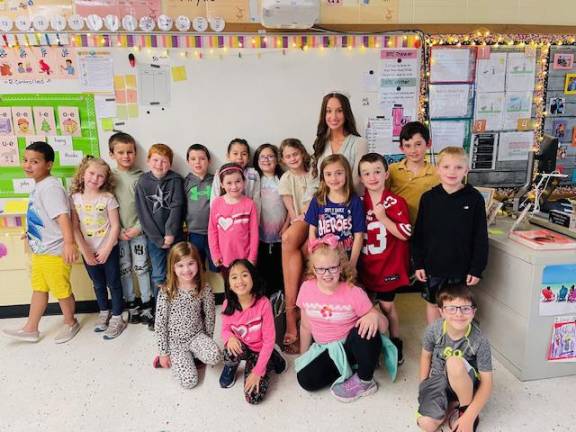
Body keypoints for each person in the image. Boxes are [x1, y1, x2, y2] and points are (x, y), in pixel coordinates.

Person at [2, 142, 80, 344]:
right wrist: (31, 234)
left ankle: (71, 322)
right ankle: (31, 328)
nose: (28, 165)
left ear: (48, 164)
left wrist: (70, 243)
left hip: (54, 251)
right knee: (39, 288)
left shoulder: (51, 188)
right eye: (26, 160)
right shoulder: (40, 186)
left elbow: (62, 217)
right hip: (40, 250)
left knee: (61, 290)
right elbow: (43, 217)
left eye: (34, 161)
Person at [295, 234, 386, 402]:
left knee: (366, 329)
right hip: (327, 349)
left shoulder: (353, 291)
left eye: (333, 268)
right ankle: (352, 368)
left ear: (341, 266)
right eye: (321, 269)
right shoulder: (306, 289)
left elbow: (384, 325)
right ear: (313, 269)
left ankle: (365, 380)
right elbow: (306, 327)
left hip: (350, 346)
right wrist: (304, 356)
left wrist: (374, 316)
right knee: (305, 379)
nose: (327, 274)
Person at [412, 147, 489, 324]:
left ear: (466, 170)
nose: (452, 172)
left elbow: (480, 237)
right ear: (437, 169)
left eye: (458, 167)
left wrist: (477, 268)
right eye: (446, 167)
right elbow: (419, 235)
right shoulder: (428, 198)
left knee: (458, 307)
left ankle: (455, 344)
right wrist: (418, 263)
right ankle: (435, 342)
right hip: (433, 267)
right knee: (433, 304)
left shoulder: (474, 198)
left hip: (461, 269)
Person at [358, 153, 411, 365]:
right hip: (366, 265)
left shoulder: (395, 201)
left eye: (377, 171)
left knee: (388, 307)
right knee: (367, 306)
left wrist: (383, 218)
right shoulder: (358, 202)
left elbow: (405, 234)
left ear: (386, 174)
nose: (372, 177)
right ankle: (374, 343)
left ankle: (396, 341)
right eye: (366, 173)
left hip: (389, 265)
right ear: (360, 178)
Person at [417, 284, 493, 432]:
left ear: (473, 312)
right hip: (439, 382)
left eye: (465, 308)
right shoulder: (433, 330)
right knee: (426, 424)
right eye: (451, 308)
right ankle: (452, 403)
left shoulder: (480, 340)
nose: (459, 314)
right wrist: (423, 387)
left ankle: (464, 407)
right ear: (441, 312)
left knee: (453, 361)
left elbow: (487, 383)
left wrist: (469, 416)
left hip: (465, 383)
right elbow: (426, 357)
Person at [70, 156, 127, 339]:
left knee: (114, 283)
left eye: (100, 176)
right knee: (98, 284)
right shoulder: (75, 199)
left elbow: (115, 226)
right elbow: (74, 227)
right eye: (91, 173)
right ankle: (104, 312)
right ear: (82, 173)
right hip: (88, 251)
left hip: (108, 249)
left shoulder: (108, 198)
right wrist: (85, 251)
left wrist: (107, 248)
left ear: (106, 179)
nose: (95, 178)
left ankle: (117, 316)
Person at [154, 242, 222, 389]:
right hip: (175, 342)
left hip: (196, 335)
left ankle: (193, 355)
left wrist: (207, 341)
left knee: (215, 356)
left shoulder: (204, 288)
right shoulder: (167, 291)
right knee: (189, 382)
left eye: (191, 263)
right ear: (173, 267)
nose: (186, 270)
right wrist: (163, 352)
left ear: (198, 263)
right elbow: (160, 324)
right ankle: (173, 357)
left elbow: (210, 317)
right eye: (180, 265)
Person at [219, 259, 287, 404]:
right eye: (234, 277)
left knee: (253, 398)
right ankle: (231, 368)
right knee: (229, 350)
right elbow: (225, 330)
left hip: (261, 349)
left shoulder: (263, 303)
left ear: (253, 278)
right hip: (243, 347)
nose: (240, 281)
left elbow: (269, 340)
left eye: (244, 275)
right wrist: (230, 337)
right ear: (229, 285)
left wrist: (257, 372)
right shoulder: (227, 304)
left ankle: (274, 358)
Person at [135, 143, 185, 329]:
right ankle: (160, 312)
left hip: (175, 237)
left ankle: (180, 311)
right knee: (158, 275)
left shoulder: (176, 180)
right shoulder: (142, 182)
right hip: (153, 239)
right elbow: (143, 214)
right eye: (155, 160)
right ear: (148, 161)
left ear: (170, 164)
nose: (159, 164)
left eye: (164, 161)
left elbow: (176, 207)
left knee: (180, 273)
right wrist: (157, 238)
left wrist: (170, 234)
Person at [109, 132, 153, 326]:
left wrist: (138, 228)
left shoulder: (142, 178)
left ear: (135, 153)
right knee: (125, 269)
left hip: (138, 233)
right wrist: (115, 230)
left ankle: (147, 304)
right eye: (121, 152)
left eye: (130, 152)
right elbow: (104, 207)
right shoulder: (108, 178)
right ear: (112, 154)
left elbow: (148, 208)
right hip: (117, 234)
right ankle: (132, 304)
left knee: (142, 268)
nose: (126, 156)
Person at [278, 138, 314, 353]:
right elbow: (290, 207)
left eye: (295, 154)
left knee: (297, 245)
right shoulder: (285, 178)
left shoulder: (313, 174)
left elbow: (311, 204)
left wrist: (304, 219)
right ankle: (293, 311)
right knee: (293, 243)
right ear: (283, 159)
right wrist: (295, 219)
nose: (292, 158)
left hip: (312, 217)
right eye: (288, 156)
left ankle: (294, 315)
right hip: (298, 219)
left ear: (302, 153)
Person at [305, 154, 365, 269]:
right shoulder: (318, 200)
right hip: (324, 261)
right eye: (328, 174)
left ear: (346, 174)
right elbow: (312, 232)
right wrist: (314, 258)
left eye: (339, 173)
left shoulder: (354, 201)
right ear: (323, 176)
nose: (333, 178)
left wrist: (352, 264)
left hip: (346, 258)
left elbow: (359, 236)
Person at [311, 92, 368, 192]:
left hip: (350, 204)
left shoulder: (360, 143)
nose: (333, 117)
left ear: (346, 113)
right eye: (328, 111)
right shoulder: (320, 142)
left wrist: (333, 201)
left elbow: (356, 181)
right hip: (322, 203)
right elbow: (315, 180)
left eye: (339, 111)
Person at [208, 163, 259, 270]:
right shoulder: (217, 204)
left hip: (245, 259)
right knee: (228, 285)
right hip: (224, 259)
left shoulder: (250, 204)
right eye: (229, 183)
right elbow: (212, 231)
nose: (234, 186)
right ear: (222, 184)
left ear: (244, 182)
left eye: (238, 181)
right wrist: (215, 254)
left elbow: (254, 234)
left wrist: (252, 258)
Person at [387, 121, 440, 225]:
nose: (413, 150)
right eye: (408, 146)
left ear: (428, 144)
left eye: (418, 144)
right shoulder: (392, 170)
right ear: (401, 148)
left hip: (424, 230)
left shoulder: (437, 174)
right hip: (396, 228)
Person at [253, 143, 287, 296]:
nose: (266, 160)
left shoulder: (283, 179)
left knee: (279, 270)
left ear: (277, 159)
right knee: (262, 271)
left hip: (281, 234)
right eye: (262, 156)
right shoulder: (254, 180)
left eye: (270, 156)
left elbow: (290, 207)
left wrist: (286, 226)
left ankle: (279, 303)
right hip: (259, 236)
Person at [184, 143, 216, 271]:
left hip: (213, 232)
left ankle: (225, 290)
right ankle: (199, 291)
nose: (198, 162)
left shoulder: (215, 181)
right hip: (194, 233)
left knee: (218, 266)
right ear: (188, 161)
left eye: (202, 158)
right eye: (193, 159)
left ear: (209, 161)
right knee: (197, 267)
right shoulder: (185, 182)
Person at [210, 138, 261, 214]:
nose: (239, 157)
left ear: (249, 157)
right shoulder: (220, 173)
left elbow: (257, 200)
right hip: (226, 216)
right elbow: (214, 197)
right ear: (228, 156)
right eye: (235, 153)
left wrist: (255, 222)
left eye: (244, 154)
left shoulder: (253, 174)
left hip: (247, 216)